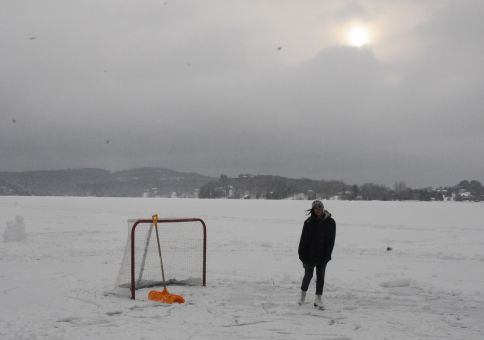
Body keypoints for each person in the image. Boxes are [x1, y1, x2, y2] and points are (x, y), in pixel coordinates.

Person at [298, 200, 336, 309]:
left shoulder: (331, 222)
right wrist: (302, 256)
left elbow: (331, 241)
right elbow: (303, 241)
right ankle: (302, 296)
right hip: (309, 255)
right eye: (316, 207)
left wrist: (327, 255)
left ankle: (318, 298)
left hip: (323, 255)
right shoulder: (308, 222)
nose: (318, 209)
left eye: (320, 207)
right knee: (308, 275)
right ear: (313, 209)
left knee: (321, 276)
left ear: (323, 208)